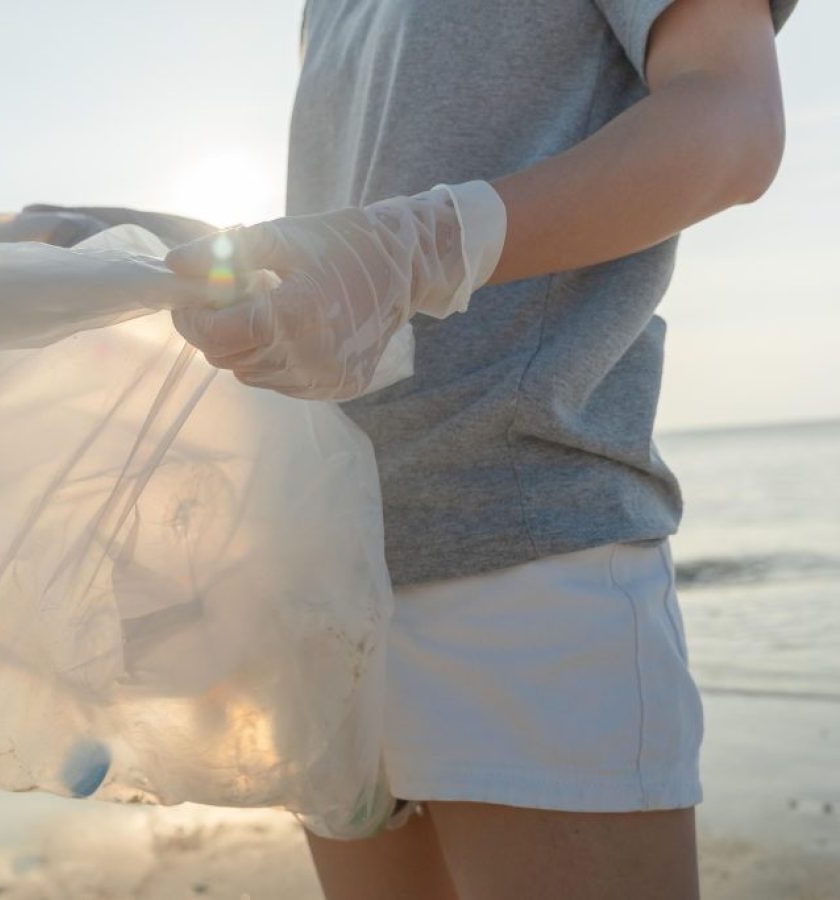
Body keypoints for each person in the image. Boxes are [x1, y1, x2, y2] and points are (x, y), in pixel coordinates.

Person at [164, 0, 796, 897]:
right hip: (331, 571)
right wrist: (132, 245)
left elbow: (735, 119)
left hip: (526, 557)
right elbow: (351, 237)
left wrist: (428, 247)